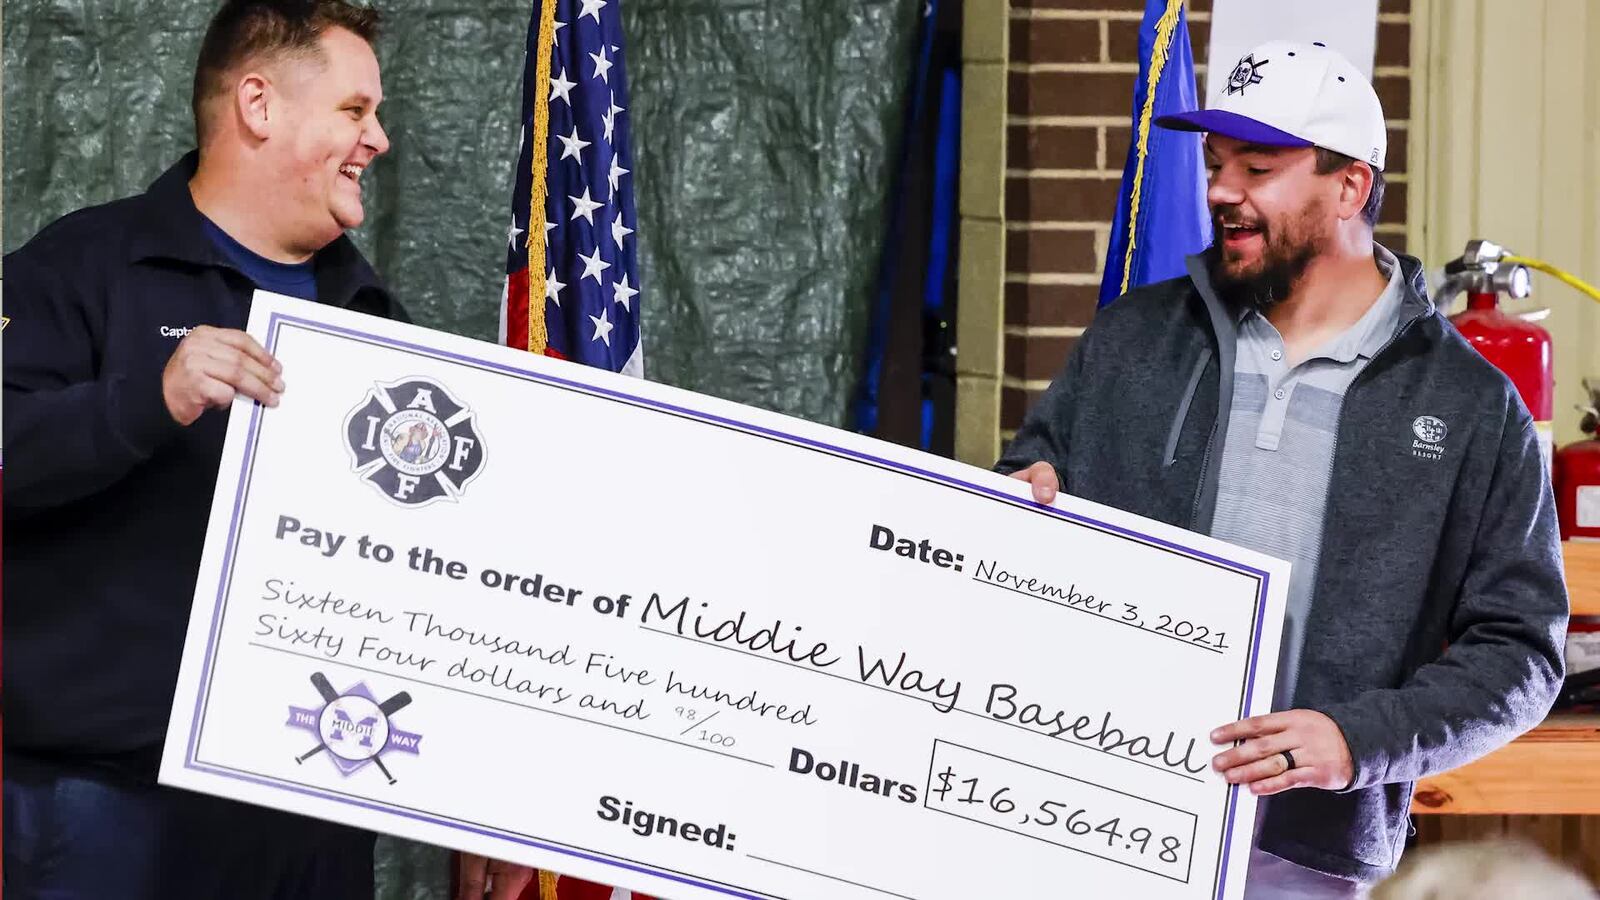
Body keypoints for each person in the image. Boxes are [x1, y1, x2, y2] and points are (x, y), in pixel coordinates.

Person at [998, 40, 1568, 896]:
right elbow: (1032, 475)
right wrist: (1016, 496)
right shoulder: (1132, 340)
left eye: (1258, 167)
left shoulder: (1473, 406)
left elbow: (1521, 653)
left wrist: (1359, 740)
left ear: (1350, 186)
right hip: (1088, 815)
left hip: (1303, 857)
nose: (1222, 190)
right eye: (1217, 163)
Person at [2, 1, 431, 897]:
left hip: (311, 810)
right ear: (259, 105)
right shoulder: (80, 269)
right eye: (355, 112)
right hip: (105, 804)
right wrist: (146, 401)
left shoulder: (376, 320)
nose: (380, 140)